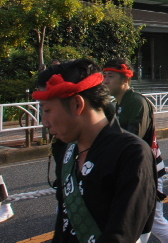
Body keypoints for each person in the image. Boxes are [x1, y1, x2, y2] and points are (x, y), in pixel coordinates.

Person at [36, 59, 157, 242]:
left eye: (47, 110)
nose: (44, 122)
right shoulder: (68, 149)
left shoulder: (131, 153)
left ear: (77, 104)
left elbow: (122, 234)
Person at [103, 58, 168, 243]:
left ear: (126, 79)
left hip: (146, 170)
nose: (105, 81)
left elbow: (132, 141)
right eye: (104, 76)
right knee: (144, 224)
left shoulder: (136, 102)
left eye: (110, 76)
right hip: (134, 169)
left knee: (150, 223)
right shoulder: (119, 103)